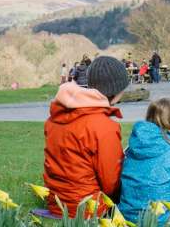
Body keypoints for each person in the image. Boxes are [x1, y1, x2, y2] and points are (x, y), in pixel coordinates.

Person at [43, 56, 130, 218]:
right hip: (88, 209)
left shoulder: (55, 118)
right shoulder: (104, 126)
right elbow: (111, 184)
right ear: (117, 89)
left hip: (56, 203)